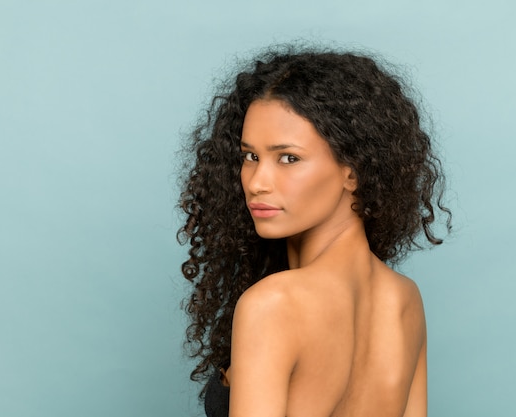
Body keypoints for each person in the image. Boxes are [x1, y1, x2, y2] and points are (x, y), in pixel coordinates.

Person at [178, 44, 451, 417]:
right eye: (249, 156)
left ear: (352, 171)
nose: (257, 182)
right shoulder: (404, 299)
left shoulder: (273, 304)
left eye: (288, 158)